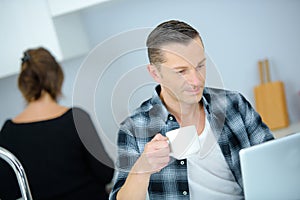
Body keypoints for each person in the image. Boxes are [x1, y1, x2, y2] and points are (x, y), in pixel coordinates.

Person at [109, 20, 274, 200]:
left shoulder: (234, 104)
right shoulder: (134, 128)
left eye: (200, 66)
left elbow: (274, 163)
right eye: (181, 71)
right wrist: (142, 168)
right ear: (155, 73)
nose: (196, 81)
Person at [0, 47, 114, 200]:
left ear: (24, 82)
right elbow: (106, 173)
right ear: (57, 77)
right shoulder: (76, 119)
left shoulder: (8, 132)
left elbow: (7, 190)